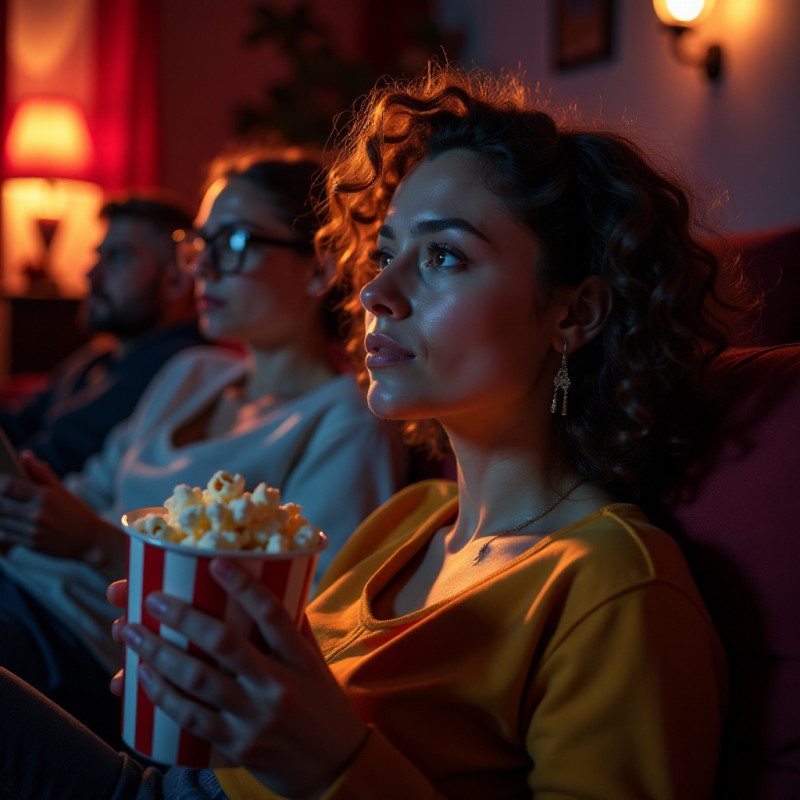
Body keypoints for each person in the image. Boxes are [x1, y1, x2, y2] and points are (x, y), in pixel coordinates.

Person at [0, 64, 731, 799]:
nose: (377, 292)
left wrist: (330, 763)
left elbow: (312, 749)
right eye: (384, 255)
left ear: (574, 314)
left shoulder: (612, 585)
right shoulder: (407, 521)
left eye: (444, 255)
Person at [0, 144, 409, 750]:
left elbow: (298, 619)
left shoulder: (348, 421)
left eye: (235, 244)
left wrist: (90, 541)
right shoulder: (190, 372)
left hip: (99, 653)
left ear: (320, 266)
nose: (201, 269)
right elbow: (90, 488)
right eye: (199, 244)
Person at [0, 191, 208, 477]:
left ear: (177, 280)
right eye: (98, 256)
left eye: (118, 257)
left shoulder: (183, 370)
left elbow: (43, 466)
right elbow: (17, 425)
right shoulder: (99, 355)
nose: (92, 273)